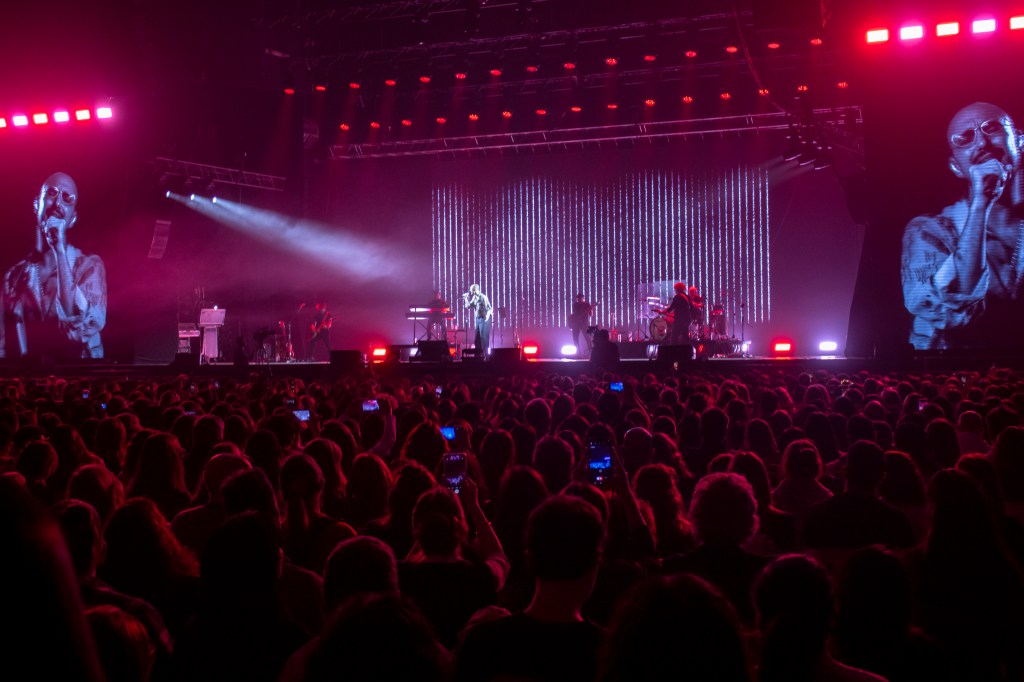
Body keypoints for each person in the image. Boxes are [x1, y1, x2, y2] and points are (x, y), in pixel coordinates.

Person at [902, 102, 1024, 349]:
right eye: (965, 139)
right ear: (956, 166)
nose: (981, 143)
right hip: (955, 370)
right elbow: (952, 315)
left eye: (991, 128)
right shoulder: (929, 231)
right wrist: (981, 204)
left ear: (1020, 142)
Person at [1, 172, 107, 359]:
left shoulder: (89, 267)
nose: (58, 203)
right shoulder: (15, 276)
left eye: (67, 199)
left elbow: (76, 330)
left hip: (80, 372)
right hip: (33, 374)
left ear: (72, 219)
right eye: (52, 193)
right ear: (37, 205)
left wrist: (59, 250)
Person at [462, 284, 492, 357]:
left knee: (483, 338)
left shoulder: (483, 297)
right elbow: (469, 306)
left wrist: (487, 317)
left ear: (475, 290)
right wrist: (465, 299)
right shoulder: (475, 297)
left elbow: (490, 308)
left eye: (471, 290)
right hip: (478, 320)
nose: (470, 291)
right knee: (477, 339)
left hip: (484, 319)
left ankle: (486, 356)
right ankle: (478, 356)